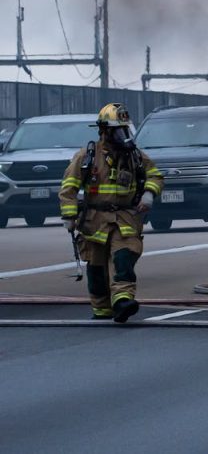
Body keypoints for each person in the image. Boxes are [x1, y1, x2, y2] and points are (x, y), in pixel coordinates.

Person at [59, 103, 164, 322]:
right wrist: (69, 216)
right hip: (94, 220)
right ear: (104, 131)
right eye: (118, 130)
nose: (123, 135)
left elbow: (155, 175)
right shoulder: (87, 156)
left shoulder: (135, 156)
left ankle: (123, 301)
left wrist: (149, 194)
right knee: (96, 267)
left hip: (125, 218)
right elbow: (68, 187)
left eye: (125, 130)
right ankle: (102, 309)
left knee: (124, 258)